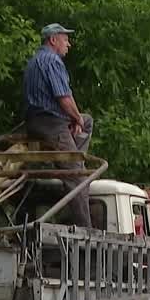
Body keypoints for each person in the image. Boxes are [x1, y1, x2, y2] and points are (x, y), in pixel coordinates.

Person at [22, 22, 94, 228]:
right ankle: (86, 230)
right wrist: (75, 119)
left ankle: (76, 158)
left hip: (37, 121)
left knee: (87, 121)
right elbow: (64, 98)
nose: (68, 44)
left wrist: (77, 120)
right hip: (50, 124)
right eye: (65, 39)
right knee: (78, 178)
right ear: (53, 40)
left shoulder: (35, 60)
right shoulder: (52, 61)